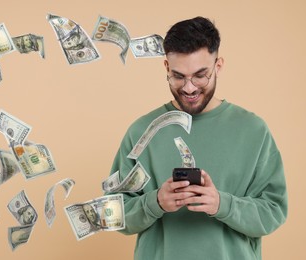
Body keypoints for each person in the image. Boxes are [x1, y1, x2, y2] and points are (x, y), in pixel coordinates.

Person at [107, 16, 287, 260]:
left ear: (218, 66)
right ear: (166, 68)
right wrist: (155, 203)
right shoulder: (141, 132)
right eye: (178, 76)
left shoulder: (253, 130)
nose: (189, 88)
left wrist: (222, 204)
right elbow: (113, 214)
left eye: (200, 75)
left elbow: (274, 211)